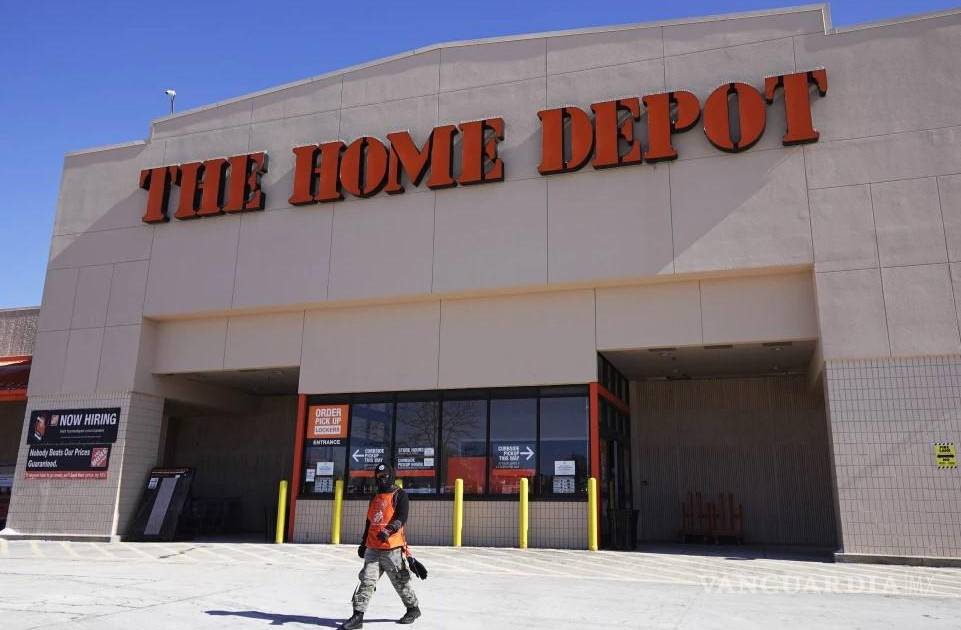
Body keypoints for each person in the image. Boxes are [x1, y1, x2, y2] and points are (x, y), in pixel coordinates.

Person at [339, 463, 421, 629]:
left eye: (384, 476)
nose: (382, 479)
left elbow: (401, 517)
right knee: (366, 581)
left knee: (400, 582)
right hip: (373, 548)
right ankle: (358, 616)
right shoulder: (375, 496)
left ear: (391, 476)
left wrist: (389, 530)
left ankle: (413, 609)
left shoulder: (400, 495)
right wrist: (363, 543)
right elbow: (369, 521)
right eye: (378, 477)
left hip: (392, 549)